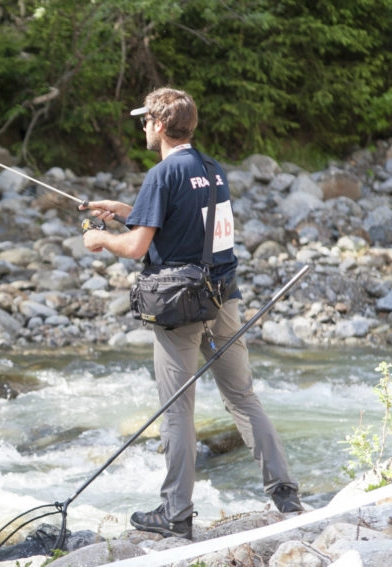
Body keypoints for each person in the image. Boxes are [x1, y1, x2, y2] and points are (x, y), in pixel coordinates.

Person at [81, 87, 303, 540]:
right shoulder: (210, 168)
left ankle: (176, 514)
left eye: (146, 120)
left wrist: (102, 239)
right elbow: (186, 223)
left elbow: (139, 246)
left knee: (177, 409)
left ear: (160, 125)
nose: (143, 126)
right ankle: (285, 495)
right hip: (224, 298)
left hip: (180, 307)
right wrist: (126, 211)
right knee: (242, 397)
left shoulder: (162, 174)